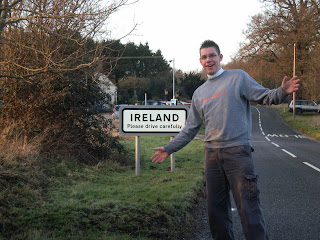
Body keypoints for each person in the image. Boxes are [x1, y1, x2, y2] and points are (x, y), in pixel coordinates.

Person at [151, 40, 300, 240]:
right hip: (211, 156)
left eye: (212, 55)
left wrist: (282, 92)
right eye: (204, 57)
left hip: (237, 153)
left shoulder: (238, 78)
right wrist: (169, 148)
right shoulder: (199, 93)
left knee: (249, 210)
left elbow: (264, 96)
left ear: (220, 57)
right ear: (200, 61)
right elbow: (190, 129)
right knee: (216, 213)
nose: (208, 60)